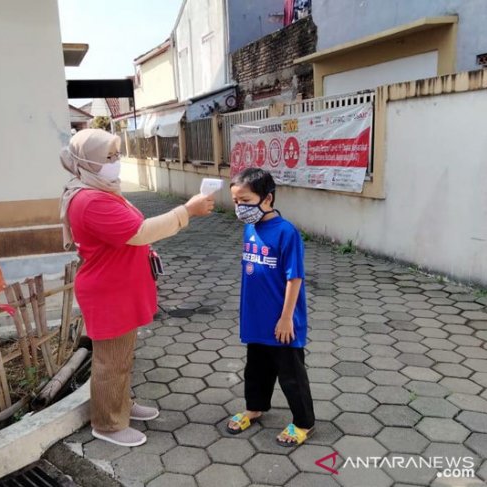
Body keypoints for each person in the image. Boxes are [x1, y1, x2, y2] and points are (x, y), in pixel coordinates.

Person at [59, 129, 214, 447]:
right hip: (108, 292)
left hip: (119, 288)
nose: (116, 162)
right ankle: (108, 424)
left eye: (117, 155)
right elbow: (140, 232)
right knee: (110, 361)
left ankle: (122, 406)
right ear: (88, 162)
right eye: (109, 157)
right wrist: (186, 211)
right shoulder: (89, 200)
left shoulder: (102, 188)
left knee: (122, 357)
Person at [226, 168, 315, 446]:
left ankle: (304, 423)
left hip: (282, 322)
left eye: (245, 200)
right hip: (257, 319)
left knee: (291, 374)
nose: (240, 207)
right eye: (235, 201)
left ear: (267, 199)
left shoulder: (286, 232)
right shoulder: (250, 227)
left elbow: (295, 277)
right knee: (256, 369)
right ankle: (255, 408)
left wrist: (287, 317)